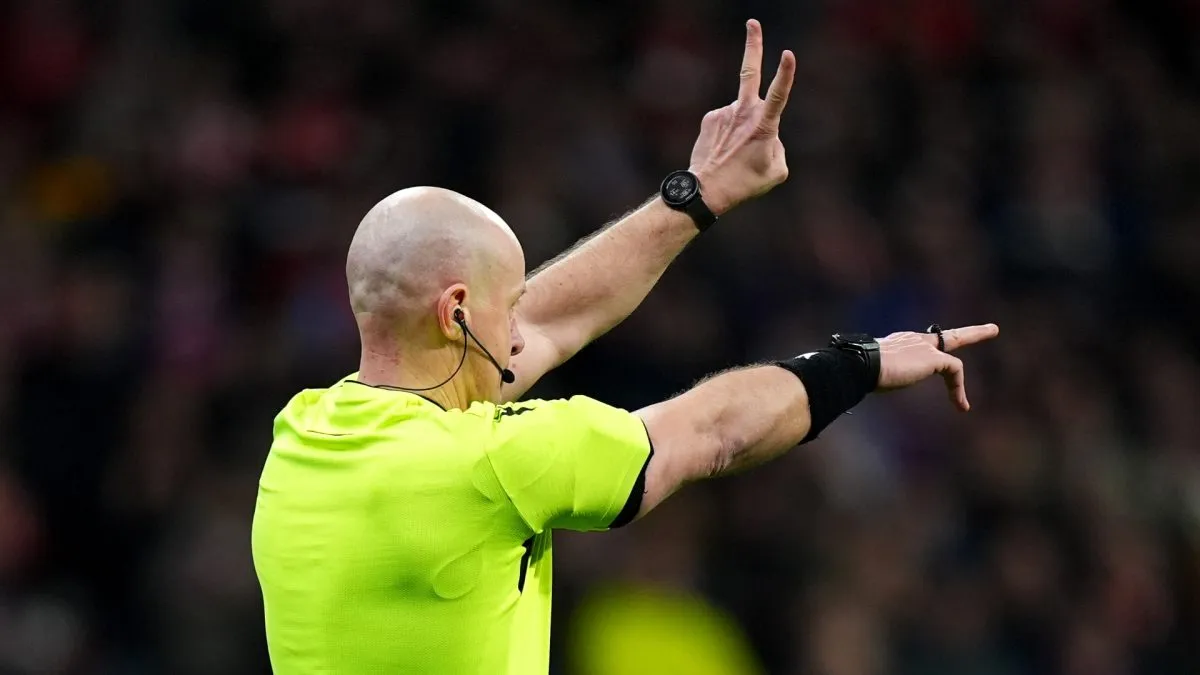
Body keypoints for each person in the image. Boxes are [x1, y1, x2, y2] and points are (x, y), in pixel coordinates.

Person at [250, 19, 999, 675]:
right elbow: (712, 432)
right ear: (454, 314)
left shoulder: (300, 438)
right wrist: (860, 362)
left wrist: (700, 193)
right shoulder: (494, 466)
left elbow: (551, 321)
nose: (519, 332)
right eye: (506, 308)